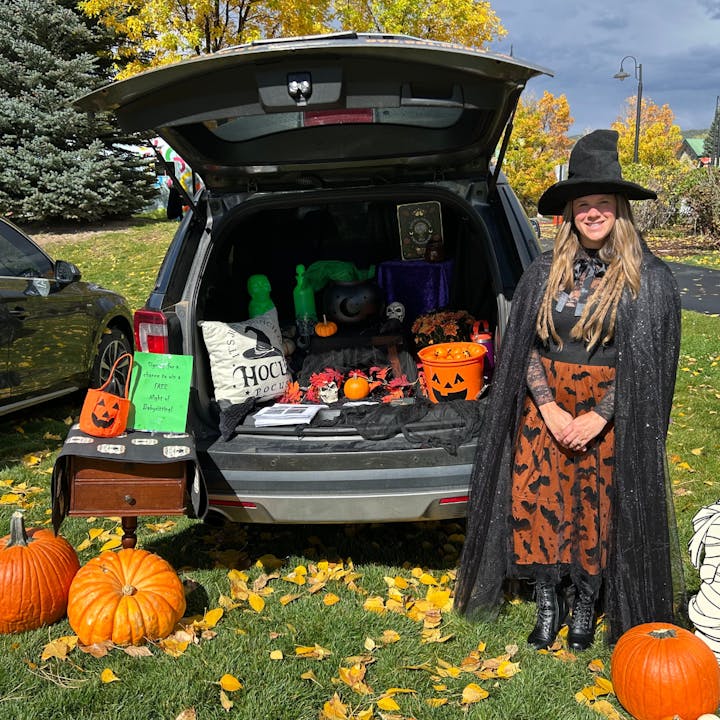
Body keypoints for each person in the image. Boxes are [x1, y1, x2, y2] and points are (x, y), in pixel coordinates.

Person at [454, 129, 686, 650]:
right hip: (548, 407)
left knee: (595, 506)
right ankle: (547, 598)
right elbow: (526, 349)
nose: (593, 214)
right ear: (570, 212)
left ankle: (585, 600)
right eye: (584, 205)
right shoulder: (544, 272)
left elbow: (648, 367)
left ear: (620, 210)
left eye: (603, 204)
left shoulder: (648, 279)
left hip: (612, 408)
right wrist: (551, 409)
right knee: (538, 500)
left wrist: (600, 415)